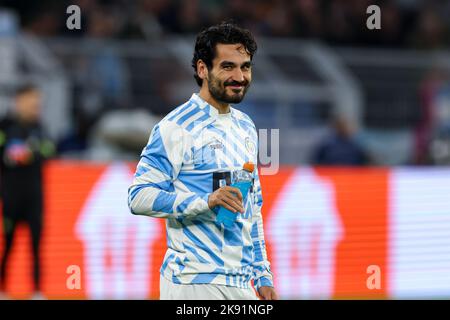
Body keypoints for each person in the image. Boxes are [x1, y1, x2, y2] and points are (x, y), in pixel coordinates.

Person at [128, 22, 277, 300]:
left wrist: (262, 273)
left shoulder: (246, 127)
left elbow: (253, 207)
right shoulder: (175, 127)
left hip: (242, 281)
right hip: (193, 281)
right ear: (202, 69)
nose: (240, 76)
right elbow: (138, 197)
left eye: (245, 67)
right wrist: (206, 201)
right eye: (228, 66)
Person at [0, 84, 54, 299]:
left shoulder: (40, 128)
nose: (35, 107)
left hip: (34, 197)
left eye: (37, 103)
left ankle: (37, 291)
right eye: (32, 101)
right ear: (19, 101)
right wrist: (24, 153)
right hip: (11, 197)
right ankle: (3, 289)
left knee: (36, 246)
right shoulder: (5, 126)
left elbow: (49, 150)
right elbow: (4, 154)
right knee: (9, 243)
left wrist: (26, 153)